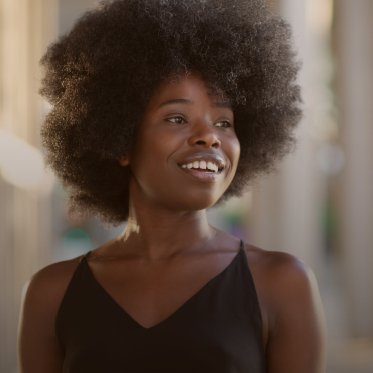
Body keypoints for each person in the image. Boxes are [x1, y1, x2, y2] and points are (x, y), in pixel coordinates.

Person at [18, 0, 325, 372]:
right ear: (120, 142)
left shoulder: (281, 284)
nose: (209, 137)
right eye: (177, 118)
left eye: (224, 122)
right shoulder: (51, 293)